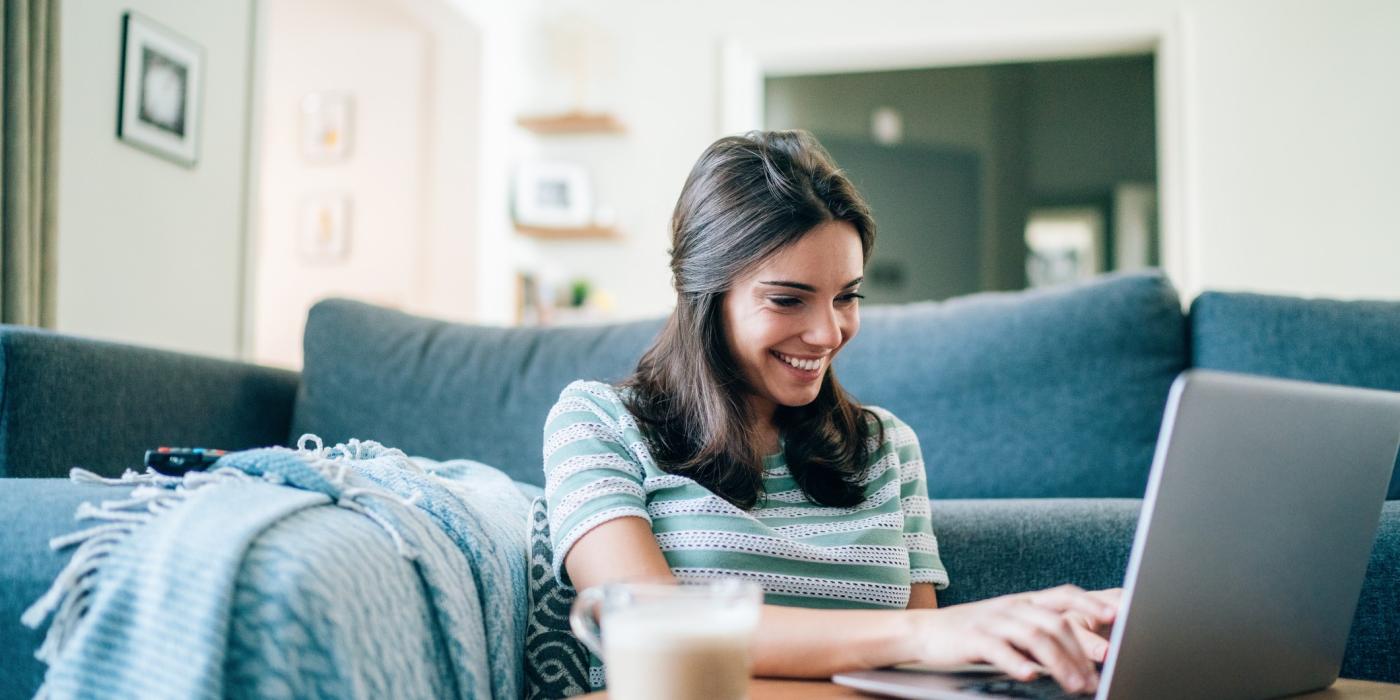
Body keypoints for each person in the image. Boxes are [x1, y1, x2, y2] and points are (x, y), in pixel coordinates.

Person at [542, 129, 1120, 695]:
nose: (827, 332)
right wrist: (926, 631)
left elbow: (917, 679)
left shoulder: (886, 447)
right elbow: (649, 637)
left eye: (847, 296)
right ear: (704, 293)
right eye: (788, 299)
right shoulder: (598, 423)